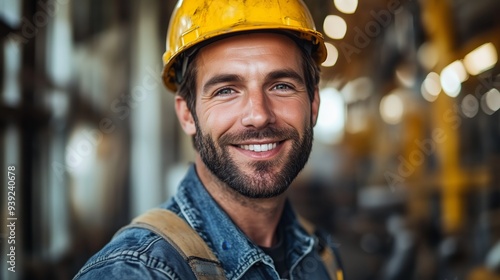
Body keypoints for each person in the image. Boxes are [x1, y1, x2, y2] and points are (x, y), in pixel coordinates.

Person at [74, 0, 343, 279]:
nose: (259, 115)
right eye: (226, 90)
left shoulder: (320, 254)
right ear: (188, 114)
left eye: (281, 86)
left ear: (313, 104)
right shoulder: (138, 271)